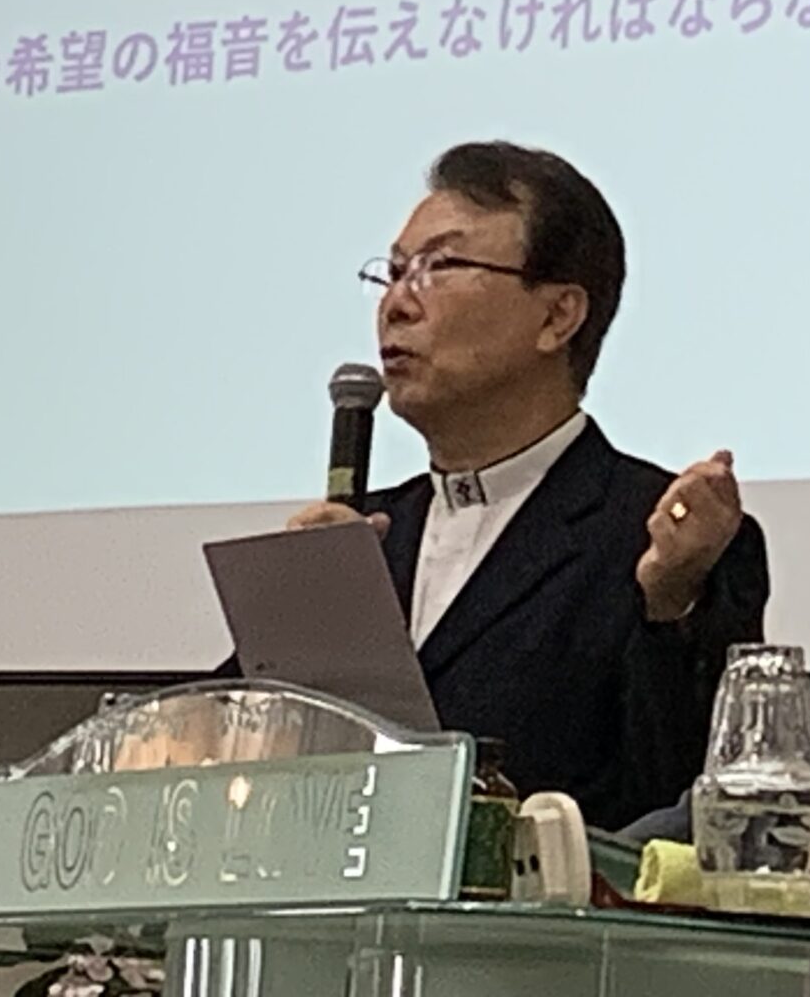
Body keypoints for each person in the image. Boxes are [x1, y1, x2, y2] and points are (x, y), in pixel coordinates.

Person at [289, 140, 769, 832]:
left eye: (438, 267)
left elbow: (690, 814)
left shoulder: (663, 536)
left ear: (557, 317)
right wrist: (294, 617)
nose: (395, 304)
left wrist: (669, 604)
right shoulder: (362, 539)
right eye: (392, 273)